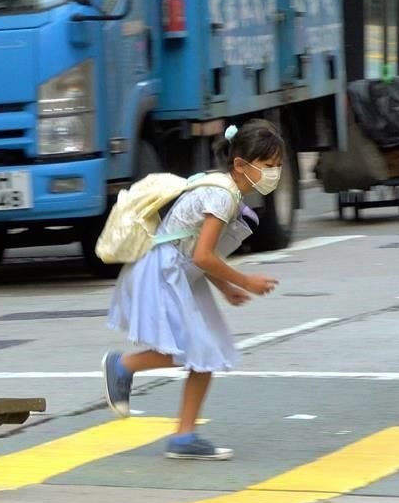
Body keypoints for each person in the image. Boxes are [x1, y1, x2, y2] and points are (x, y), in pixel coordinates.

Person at [102, 119, 283, 460]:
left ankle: (184, 437)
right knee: (190, 347)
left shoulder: (222, 188)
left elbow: (199, 251)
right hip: (164, 271)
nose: (274, 173)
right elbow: (203, 254)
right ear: (241, 165)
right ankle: (122, 365)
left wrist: (225, 288)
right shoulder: (222, 195)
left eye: (277, 166)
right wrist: (244, 282)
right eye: (267, 166)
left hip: (182, 271)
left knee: (207, 351)